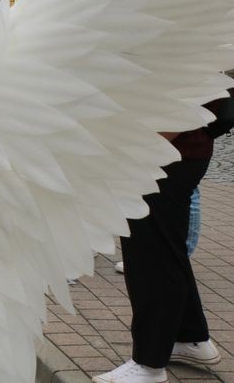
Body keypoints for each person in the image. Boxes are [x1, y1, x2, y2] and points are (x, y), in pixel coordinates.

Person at [94, 89, 234, 383]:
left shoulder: (193, 46)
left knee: (150, 257)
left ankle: (149, 363)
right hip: (176, 150)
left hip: (167, 153)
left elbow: (192, 93)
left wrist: (140, 151)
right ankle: (191, 337)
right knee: (164, 249)